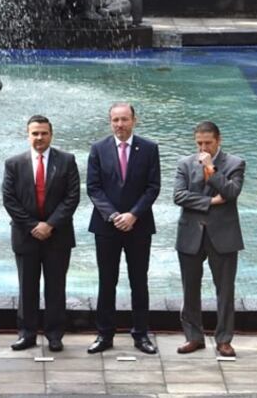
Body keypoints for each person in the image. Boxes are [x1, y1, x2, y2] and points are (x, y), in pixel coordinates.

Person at [86, 102, 161, 355]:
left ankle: (141, 334)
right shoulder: (98, 149)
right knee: (107, 281)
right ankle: (104, 334)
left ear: (134, 120)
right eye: (115, 120)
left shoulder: (149, 148)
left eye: (124, 119)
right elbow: (93, 188)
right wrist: (115, 215)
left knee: (139, 281)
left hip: (139, 227)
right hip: (107, 227)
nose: (120, 124)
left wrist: (133, 215)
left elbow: (153, 187)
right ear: (110, 122)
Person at [2, 114, 80, 353]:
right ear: (28, 135)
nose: (39, 137)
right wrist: (33, 226)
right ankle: (27, 334)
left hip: (58, 236)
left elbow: (72, 197)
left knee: (56, 287)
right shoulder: (14, 163)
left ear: (51, 135)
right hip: (26, 236)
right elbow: (9, 199)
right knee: (27, 287)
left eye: (44, 133)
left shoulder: (67, 160)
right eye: (35, 133)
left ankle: (55, 335)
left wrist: (50, 224)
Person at [173, 121, 245, 358]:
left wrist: (212, 170)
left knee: (225, 290)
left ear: (218, 140)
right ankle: (193, 337)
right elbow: (179, 196)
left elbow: (231, 192)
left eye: (208, 143)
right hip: (191, 233)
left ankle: (224, 339)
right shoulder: (185, 163)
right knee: (190, 289)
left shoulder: (235, 163)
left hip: (222, 235)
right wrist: (210, 202)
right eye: (199, 143)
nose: (203, 148)